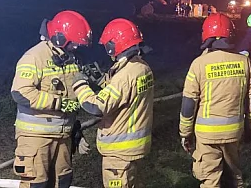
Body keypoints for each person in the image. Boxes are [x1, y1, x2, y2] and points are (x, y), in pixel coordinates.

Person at [11, 10, 91, 188]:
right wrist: (58, 103)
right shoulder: (33, 58)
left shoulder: (69, 59)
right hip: (36, 138)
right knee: (37, 184)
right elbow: (20, 92)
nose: (76, 48)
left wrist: (76, 131)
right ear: (60, 38)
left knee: (63, 182)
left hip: (62, 135)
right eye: (74, 44)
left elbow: (72, 94)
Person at [180, 13, 251, 188]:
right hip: (234, 132)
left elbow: (188, 104)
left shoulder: (199, 64)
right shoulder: (246, 63)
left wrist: (185, 133)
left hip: (206, 135)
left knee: (210, 180)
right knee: (235, 177)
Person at [73, 18, 154, 188]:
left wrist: (79, 84)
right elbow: (123, 94)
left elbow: (96, 107)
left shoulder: (126, 75)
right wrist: (102, 80)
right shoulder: (141, 67)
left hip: (119, 153)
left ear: (114, 44)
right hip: (134, 149)